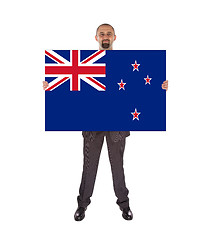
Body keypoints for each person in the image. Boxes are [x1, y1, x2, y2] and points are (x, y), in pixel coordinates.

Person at [43, 23, 168, 221]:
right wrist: (52, 86)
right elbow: (73, 89)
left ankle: (124, 205)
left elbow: (138, 88)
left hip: (117, 124)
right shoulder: (86, 65)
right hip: (92, 123)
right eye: (102, 34)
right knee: (89, 166)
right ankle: (82, 205)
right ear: (96, 38)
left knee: (117, 166)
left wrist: (158, 87)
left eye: (108, 33)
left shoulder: (128, 64)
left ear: (115, 37)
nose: (105, 36)